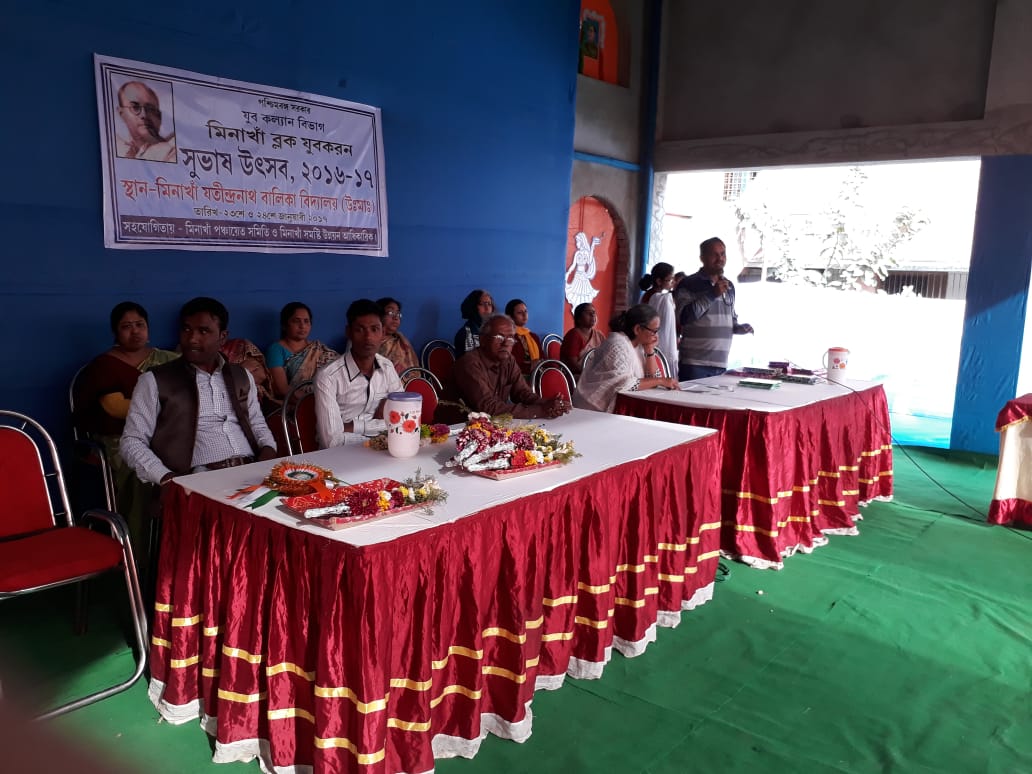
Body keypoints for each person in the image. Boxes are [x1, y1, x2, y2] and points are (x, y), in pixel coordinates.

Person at [121, 297, 277, 487]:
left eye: (203, 331)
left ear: (222, 337)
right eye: (186, 329)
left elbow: (257, 423)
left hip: (252, 472)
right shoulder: (155, 381)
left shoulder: (241, 376)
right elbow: (132, 441)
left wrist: (268, 449)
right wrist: (166, 478)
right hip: (198, 480)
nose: (192, 339)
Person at [73, 302, 179, 549]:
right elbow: (116, 407)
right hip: (120, 438)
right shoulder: (105, 366)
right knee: (142, 469)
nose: (135, 332)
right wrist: (167, 407)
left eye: (140, 325)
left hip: (168, 433)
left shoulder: (169, 360)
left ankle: (180, 541)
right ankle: (138, 548)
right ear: (115, 332)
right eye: (126, 327)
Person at [314, 299, 403, 448]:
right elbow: (332, 441)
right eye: (360, 330)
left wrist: (353, 426)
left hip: (382, 451)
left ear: (382, 332)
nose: (368, 337)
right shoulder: (328, 377)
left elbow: (403, 422)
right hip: (340, 456)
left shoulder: (387, 367)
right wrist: (382, 430)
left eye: (374, 329)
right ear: (348, 332)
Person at [451, 314, 571, 419]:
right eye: (499, 337)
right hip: (457, 428)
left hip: (493, 425)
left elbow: (523, 393)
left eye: (510, 338)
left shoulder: (508, 360)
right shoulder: (469, 363)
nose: (505, 343)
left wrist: (548, 403)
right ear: (483, 340)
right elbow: (489, 408)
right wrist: (541, 410)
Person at [573, 304, 679, 413]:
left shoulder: (640, 345)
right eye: (654, 331)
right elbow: (624, 384)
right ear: (637, 329)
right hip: (591, 408)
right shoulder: (617, 344)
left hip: (625, 404)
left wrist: (649, 350)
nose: (656, 336)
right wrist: (661, 381)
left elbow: (653, 379)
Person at [674, 237, 754, 381]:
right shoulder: (688, 283)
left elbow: (730, 319)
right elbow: (684, 317)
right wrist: (712, 294)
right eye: (714, 254)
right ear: (702, 258)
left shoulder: (729, 286)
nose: (720, 259)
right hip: (694, 364)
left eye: (723, 254)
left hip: (721, 363)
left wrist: (738, 328)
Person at [266, 302, 339, 398]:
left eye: (306, 321)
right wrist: (312, 400)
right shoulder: (276, 350)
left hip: (325, 397)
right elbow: (282, 389)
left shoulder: (318, 349)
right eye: (296, 321)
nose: (302, 326)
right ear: (284, 325)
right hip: (296, 402)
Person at [114, 80, 177, 162]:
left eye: (150, 109)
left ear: (159, 116)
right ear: (121, 113)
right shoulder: (116, 147)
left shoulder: (171, 151)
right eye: (135, 107)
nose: (144, 115)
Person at [641, 262, 679, 365]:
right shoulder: (660, 299)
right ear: (659, 281)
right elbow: (665, 329)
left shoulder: (649, 295)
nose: (673, 282)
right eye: (670, 279)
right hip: (657, 346)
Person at [376, 296, 419, 377]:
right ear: (379, 315)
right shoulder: (368, 341)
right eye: (390, 313)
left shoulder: (402, 343)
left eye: (398, 314)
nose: (396, 317)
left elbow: (415, 374)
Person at [560, 302, 605, 375]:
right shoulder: (574, 335)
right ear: (579, 319)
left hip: (592, 374)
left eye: (594, 312)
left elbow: (606, 355)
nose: (592, 315)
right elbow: (573, 364)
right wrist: (591, 374)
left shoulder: (599, 335)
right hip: (574, 376)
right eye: (588, 313)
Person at [504, 298, 542, 375]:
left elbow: (542, 358)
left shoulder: (533, 336)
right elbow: (510, 364)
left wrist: (538, 363)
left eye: (525, 311)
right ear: (510, 317)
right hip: (518, 376)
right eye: (519, 312)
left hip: (537, 373)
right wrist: (531, 365)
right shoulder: (508, 336)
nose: (524, 315)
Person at [454, 289, 495, 355]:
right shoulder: (466, 334)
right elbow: (473, 360)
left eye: (489, 304)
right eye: (482, 304)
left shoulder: (490, 330)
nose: (487, 308)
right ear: (473, 306)